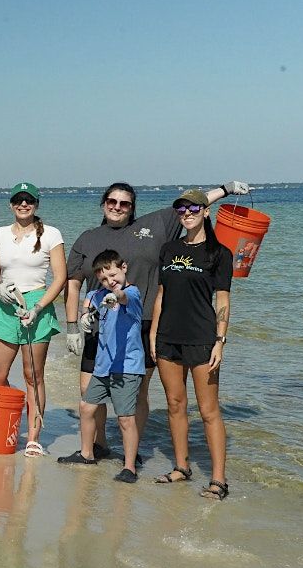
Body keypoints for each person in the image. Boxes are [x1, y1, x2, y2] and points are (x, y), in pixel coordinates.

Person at [65, 180, 249, 462]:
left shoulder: (155, 225)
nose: (117, 207)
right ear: (103, 204)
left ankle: (132, 451)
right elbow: (73, 284)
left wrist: (226, 189)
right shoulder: (87, 239)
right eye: (112, 201)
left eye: (124, 203)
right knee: (88, 391)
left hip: (142, 324)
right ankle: (98, 445)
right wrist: (72, 326)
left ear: (132, 208)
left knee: (138, 392)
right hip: (99, 326)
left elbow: (193, 206)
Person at [150, 190, 233, 500]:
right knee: (175, 404)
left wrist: (220, 341)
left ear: (206, 212)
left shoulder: (219, 253)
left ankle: (219, 480)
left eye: (193, 208)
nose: (187, 213)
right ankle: (181, 467)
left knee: (209, 411)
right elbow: (161, 295)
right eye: (181, 209)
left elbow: (222, 300)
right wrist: (153, 333)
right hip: (168, 337)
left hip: (202, 338)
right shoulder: (169, 249)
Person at [0, 182, 66, 457]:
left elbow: (60, 277)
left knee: (33, 375)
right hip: (6, 304)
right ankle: (12, 410)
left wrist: (39, 307)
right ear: (11, 204)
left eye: (29, 200)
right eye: (18, 200)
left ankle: (33, 437)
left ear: (36, 204)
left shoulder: (52, 234)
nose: (23, 204)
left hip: (36, 305)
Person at [57, 250, 144, 483]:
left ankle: (129, 467)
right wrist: (84, 316)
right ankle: (87, 454)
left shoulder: (132, 292)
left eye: (113, 275)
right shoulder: (99, 294)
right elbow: (89, 299)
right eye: (104, 279)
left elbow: (123, 297)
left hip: (126, 367)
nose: (109, 281)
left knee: (125, 418)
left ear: (124, 267)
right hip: (102, 366)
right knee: (86, 407)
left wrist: (116, 295)